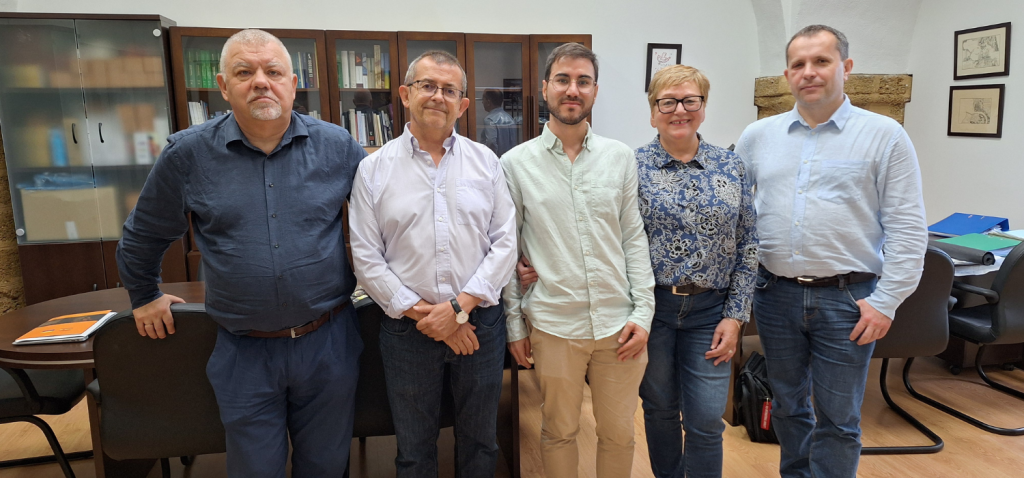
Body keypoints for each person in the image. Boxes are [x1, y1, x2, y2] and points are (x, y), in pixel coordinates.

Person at [115, 29, 366, 477]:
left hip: (329, 343)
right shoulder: (187, 154)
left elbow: (388, 222)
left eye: (273, 72)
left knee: (327, 466)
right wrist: (144, 295)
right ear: (223, 85)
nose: (260, 82)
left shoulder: (338, 147)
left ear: (292, 83)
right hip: (243, 351)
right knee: (255, 469)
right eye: (244, 72)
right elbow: (143, 235)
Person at [735, 24, 927, 478]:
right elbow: (734, 213)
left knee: (839, 420)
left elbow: (907, 227)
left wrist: (887, 302)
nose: (809, 73)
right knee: (787, 406)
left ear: (846, 67)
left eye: (821, 61)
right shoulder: (758, 136)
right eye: (799, 64)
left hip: (849, 301)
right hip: (775, 295)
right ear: (787, 75)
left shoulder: (885, 136)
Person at [348, 50, 517, 478]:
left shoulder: (487, 163)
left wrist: (458, 310)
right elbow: (366, 256)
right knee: (413, 449)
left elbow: (505, 245)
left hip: (480, 324)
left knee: (481, 444)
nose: (437, 97)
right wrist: (427, 315)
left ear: (462, 104)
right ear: (406, 94)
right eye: (427, 86)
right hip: (408, 330)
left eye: (449, 90)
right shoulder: (373, 170)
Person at [501, 42, 655, 478]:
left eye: (583, 81)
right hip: (554, 325)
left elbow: (633, 238)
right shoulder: (515, 164)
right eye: (564, 80)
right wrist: (516, 325)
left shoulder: (620, 158)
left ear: (595, 90)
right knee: (558, 431)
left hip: (619, 325)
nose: (573, 89)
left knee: (619, 433)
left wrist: (643, 312)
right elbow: (508, 252)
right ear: (545, 88)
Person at [634, 65, 757, 478]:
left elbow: (748, 243)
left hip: (711, 312)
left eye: (690, 100)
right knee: (660, 409)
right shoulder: (631, 168)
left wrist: (736, 316)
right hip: (652, 311)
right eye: (666, 102)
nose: (679, 110)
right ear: (652, 112)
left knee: (706, 420)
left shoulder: (731, 167)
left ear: (703, 107)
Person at [479, 89, 517, 156]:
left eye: (483, 99)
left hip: (496, 160)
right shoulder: (510, 118)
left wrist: (491, 159)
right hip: (509, 159)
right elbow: (513, 142)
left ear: (488, 102)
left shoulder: (490, 120)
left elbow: (491, 142)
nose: (482, 102)